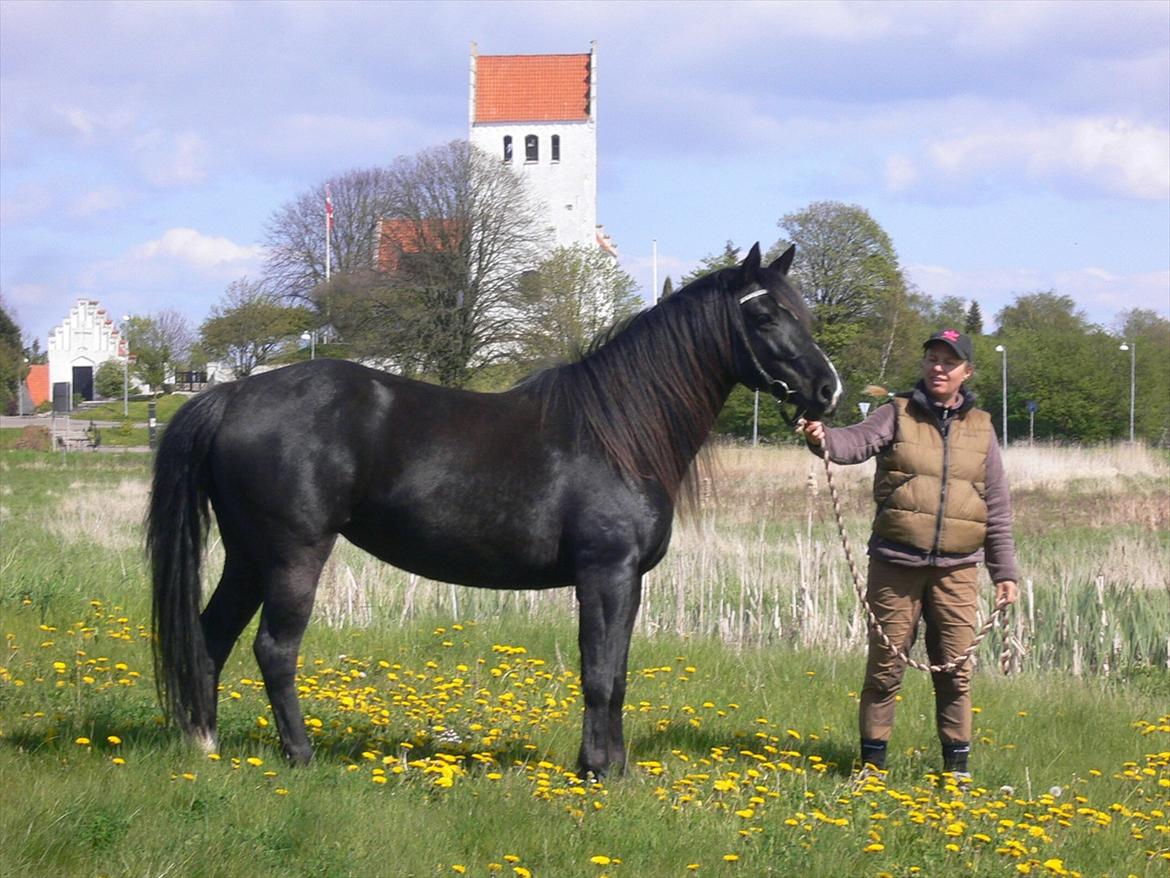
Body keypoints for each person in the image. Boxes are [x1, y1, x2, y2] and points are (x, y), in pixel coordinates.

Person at [799, 329, 1019, 778]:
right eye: (932, 359)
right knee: (884, 670)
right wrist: (823, 438)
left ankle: (955, 774)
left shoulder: (982, 427)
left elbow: (996, 505)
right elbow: (854, 443)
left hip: (957, 570)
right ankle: (872, 769)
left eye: (949, 361)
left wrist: (1004, 572)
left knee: (956, 674)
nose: (938, 367)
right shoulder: (895, 413)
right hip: (895, 564)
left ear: (966, 372)